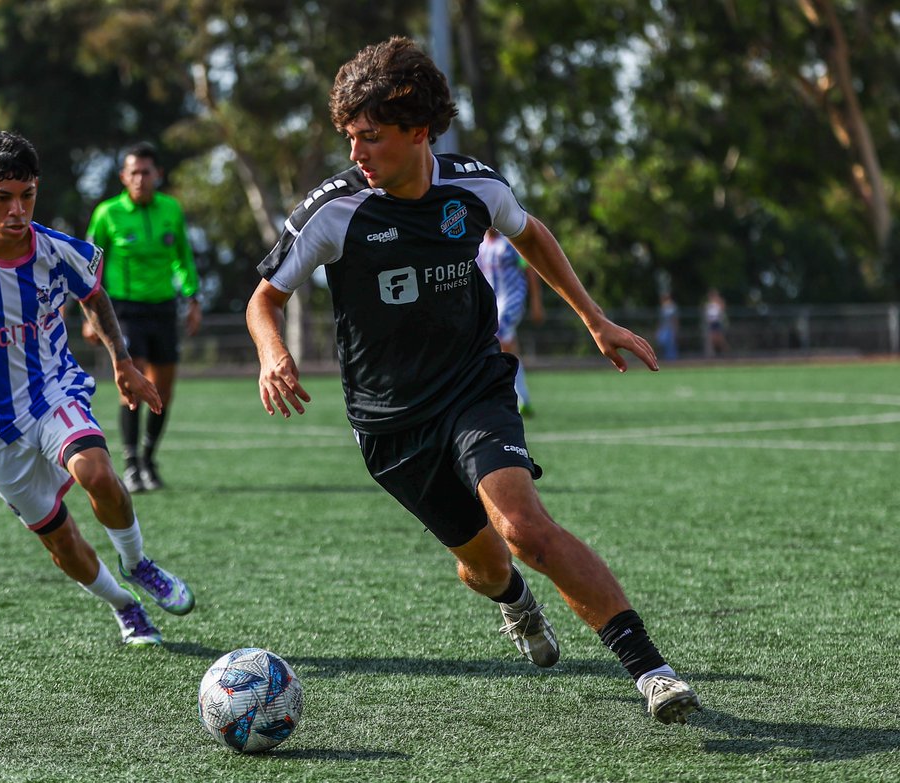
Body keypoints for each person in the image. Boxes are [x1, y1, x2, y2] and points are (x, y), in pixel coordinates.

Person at [246, 37, 700, 724]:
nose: (355, 155)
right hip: (390, 424)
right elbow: (263, 298)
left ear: (418, 131)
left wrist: (595, 319)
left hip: (473, 387)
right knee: (484, 567)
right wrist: (272, 352)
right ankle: (515, 602)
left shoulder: (474, 186)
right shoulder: (336, 211)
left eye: (370, 138)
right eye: (349, 138)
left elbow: (531, 233)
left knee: (526, 528)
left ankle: (653, 671)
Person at [0, 130, 194, 646]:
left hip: (52, 393)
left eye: (26, 195)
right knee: (62, 543)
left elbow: (94, 294)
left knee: (97, 470)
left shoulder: (55, 250)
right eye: (1, 197)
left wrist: (121, 360)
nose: (16, 210)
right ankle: (125, 606)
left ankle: (137, 561)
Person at [84, 142, 202, 492]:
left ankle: (149, 459)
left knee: (162, 391)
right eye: (133, 172)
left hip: (164, 308)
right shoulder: (107, 213)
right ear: (123, 176)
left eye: (146, 171)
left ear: (157, 175)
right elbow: (90, 266)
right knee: (133, 387)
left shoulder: (171, 210)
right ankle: (132, 463)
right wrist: (91, 316)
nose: (140, 178)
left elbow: (182, 256)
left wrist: (192, 297)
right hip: (123, 310)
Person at [476, 227, 543, 415]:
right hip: (493, 304)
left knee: (497, 340)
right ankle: (523, 399)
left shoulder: (509, 243)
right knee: (508, 347)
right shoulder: (480, 246)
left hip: (512, 299)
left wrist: (536, 302)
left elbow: (528, 269)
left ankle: (501, 396)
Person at [704, 288, 729, 357]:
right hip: (712, 323)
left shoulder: (719, 302)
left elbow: (722, 310)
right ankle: (715, 355)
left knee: (720, 339)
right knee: (712, 340)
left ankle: (726, 354)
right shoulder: (708, 304)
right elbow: (707, 315)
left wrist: (718, 301)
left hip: (718, 322)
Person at [656, 292, 680, 361]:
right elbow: (660, 320)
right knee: (662, 342)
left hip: (671, 328)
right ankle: (667, 358)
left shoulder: (672, 307)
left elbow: (675, 319)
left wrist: (676, 328)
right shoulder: (663, 307)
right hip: (664, 328)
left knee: (671, 344)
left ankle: (672, 359)